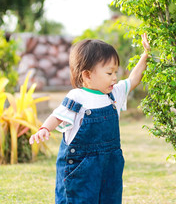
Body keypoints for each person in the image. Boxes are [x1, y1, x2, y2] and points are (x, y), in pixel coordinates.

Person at [29, 34, 150, 204]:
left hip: (110, 166)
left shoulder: (114, 93)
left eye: (116, 72)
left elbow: (133, 80)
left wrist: (145, 55)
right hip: (82, 169)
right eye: (109, 72)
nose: (115, 77)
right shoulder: (77, 97)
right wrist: (44, 128)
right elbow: (57, 116)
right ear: (87, 75)